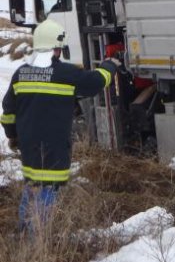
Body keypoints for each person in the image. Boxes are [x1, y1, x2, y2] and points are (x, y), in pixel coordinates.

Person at [0, 19, 119, 233]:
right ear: (56, 48)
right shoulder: (65, 73)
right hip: (54, 148)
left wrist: (13, 135)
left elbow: (8, 109)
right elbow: (95, 83)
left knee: (33, 186)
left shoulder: (20, 74)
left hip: (28, 147)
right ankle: (37, 241)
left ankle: (25, 232)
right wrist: (111, 65)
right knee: (48, 188)